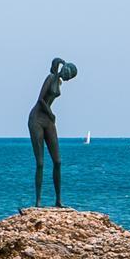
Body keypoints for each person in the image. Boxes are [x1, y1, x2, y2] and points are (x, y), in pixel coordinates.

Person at [28, 57, 77, 207]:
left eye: (70, 78)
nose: (68, 79)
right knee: (41, 163)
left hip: (48, 120)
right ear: (64, 69)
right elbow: (41, 100)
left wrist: (50, 116)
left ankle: (58, 200)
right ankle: (38, 201)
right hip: (37, 119)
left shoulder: (59, 81)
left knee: (57, 161)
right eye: (68, 75)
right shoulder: (50, 78)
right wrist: (50, 113)